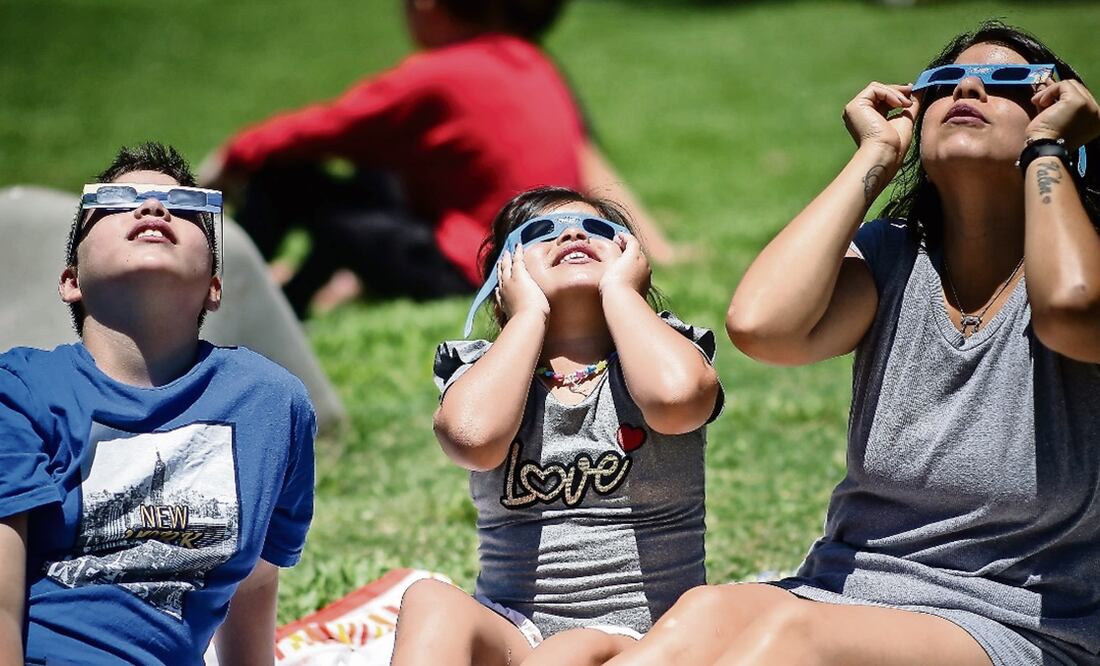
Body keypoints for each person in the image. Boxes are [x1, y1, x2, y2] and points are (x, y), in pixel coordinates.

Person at [602, 20, 1100, 666]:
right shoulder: (892, 259)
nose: (969, 86)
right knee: (707, 613)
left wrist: (1048, 151)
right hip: (847, 586)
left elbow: (1070, 309)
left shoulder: (1080, 263)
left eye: (1009, 83)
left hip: (1017, 619)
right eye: (943, 82)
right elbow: (763, 326)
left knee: (793, 641)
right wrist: (874, 157)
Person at [0, 142, 316, 664]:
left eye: (186, 208)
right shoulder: (20, 389)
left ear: (215, 286)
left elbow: (254, 584)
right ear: (71, 281)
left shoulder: (272, 404)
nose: (152, 209)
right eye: (117, 201)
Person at [389, 186, 722, 665]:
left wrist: (622, 294)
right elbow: (474, 439)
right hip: (515, 630)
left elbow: (677, 401)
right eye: (540, 232)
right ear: (502, 279)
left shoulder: (660, 353)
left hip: (649, 634)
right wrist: (527, 316)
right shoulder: (485, 371)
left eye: (601, 231)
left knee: (571, 648)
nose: (572, 233)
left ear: (634, 260)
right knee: (428, 598)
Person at [203, 0, 678, 317]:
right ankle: (277, 290)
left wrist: (232, 157)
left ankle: (249, 299)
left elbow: (324, 128)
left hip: (475, 264)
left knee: (295, 185)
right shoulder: (529, 59)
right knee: (375, 171)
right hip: (521, 247)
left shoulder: (436, 76)